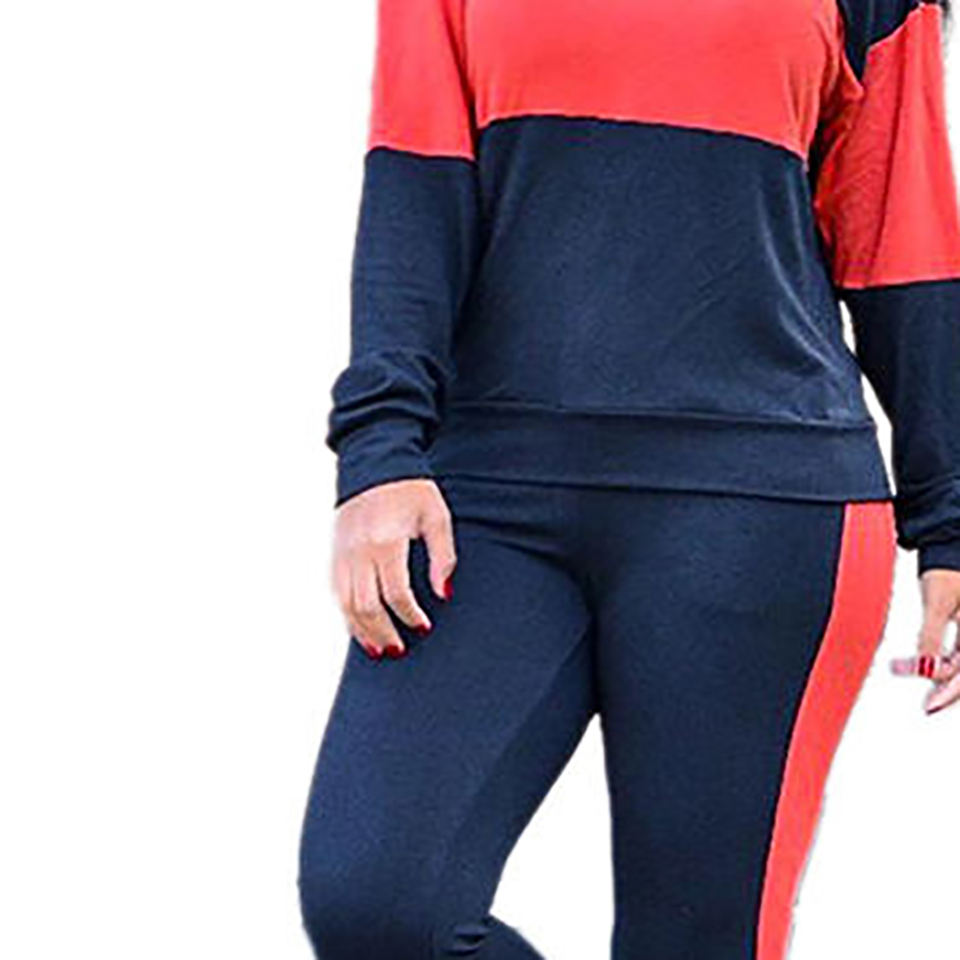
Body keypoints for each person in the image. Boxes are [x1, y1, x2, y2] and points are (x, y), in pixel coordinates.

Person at [299, 0, 960, 956]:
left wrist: (949, 516)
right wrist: (377, 453)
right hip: (485, 499)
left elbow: (901, 233)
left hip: (763, 507)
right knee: (377, 904)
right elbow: (414, 185)